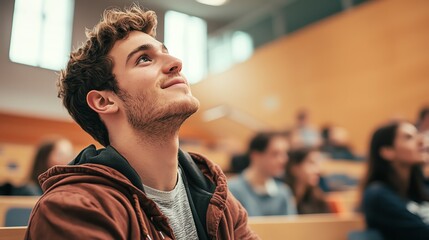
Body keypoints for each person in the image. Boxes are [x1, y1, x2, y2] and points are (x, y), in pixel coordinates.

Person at [25, 5, 257, 240]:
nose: (176, 62)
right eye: (144, 59)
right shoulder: (74, 209)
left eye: (166, 52)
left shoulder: (216, 193)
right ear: (104, 101)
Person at [361, 121, 429, 240]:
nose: (421, 141)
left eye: (418, 134)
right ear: (387, 151)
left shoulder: (420, 187)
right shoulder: (377, 195)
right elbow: (422, 234)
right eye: (409, 137)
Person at [228, 132, 297, 216]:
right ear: (255, 156)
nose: (284, 160)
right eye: (275, 154)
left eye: (285, 154)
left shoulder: (283, 192)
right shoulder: (232, 190)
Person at [0, 137, 74, 196]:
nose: (68, 160)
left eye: (69, 155)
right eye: (61, 155)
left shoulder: (65, 189)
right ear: (44, 158)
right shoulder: (28, 190)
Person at [285, 148, 332, 214]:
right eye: (311, 163)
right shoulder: (280, 197)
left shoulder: (318, 200)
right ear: (294, 167)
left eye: (318, 164)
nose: (317, 170)